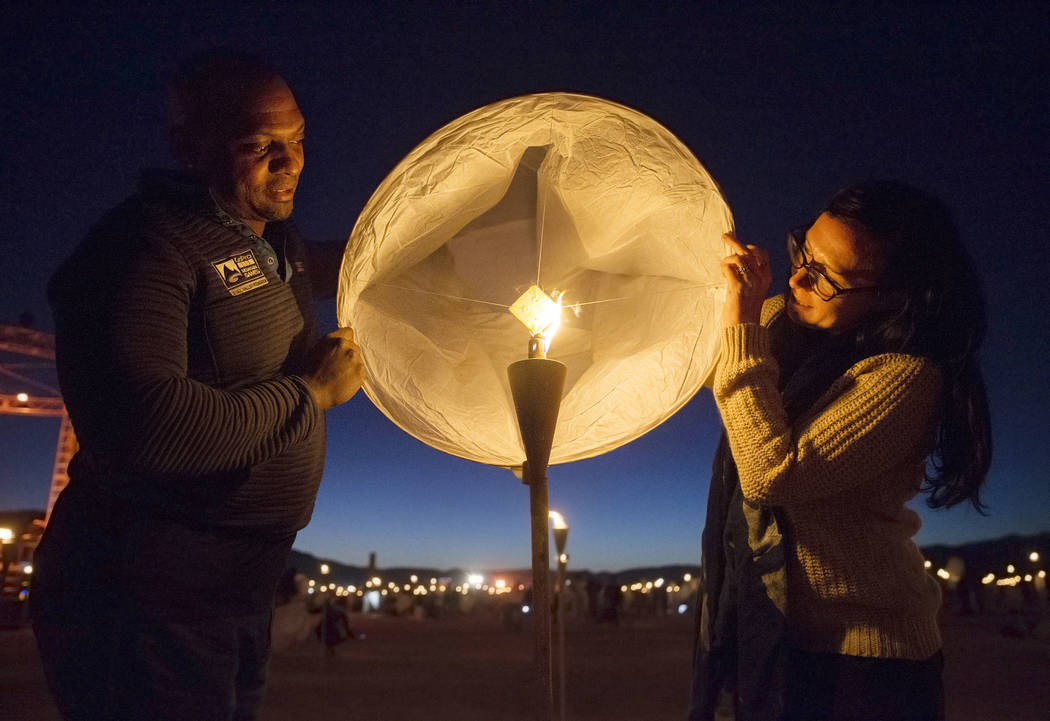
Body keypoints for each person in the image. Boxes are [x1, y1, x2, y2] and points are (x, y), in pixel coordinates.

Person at [31, 53, 364, 721]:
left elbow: (373, 256)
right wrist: (311, 394)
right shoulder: (141, 250)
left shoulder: (277, 246)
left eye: (297, 141)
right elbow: (146, 425)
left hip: (234, 599)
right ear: (191, 146)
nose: (289, 162)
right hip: (144, 604)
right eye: (258, 146)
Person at [689, 181, 991, 721]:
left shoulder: (904, 377)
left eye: (830, 276)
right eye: (803, 251)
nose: (799, 277)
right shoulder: (781, 317)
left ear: (893, 298)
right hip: (774, 632)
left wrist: (741, 326)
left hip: (865, 663)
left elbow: (770, 474)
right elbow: (686, 350)